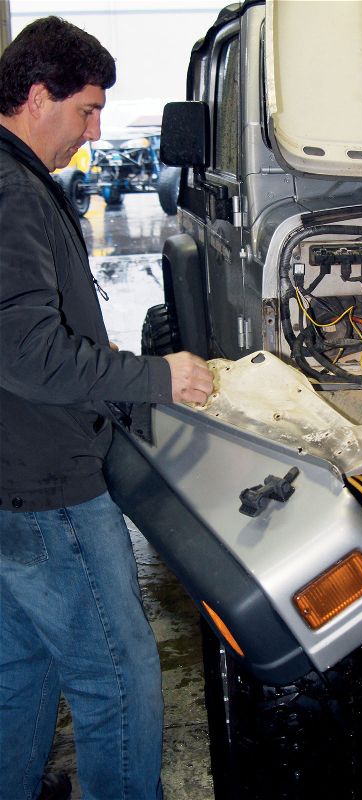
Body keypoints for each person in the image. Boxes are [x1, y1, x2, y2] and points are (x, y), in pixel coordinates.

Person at [0, 16, 213, 800]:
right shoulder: (12, 193)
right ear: (35, 95)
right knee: (117, 680)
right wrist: (158, 377)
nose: (93, 134)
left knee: (19, 665)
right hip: (48, 483)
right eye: (86, 110)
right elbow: (25, 352)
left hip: (10, 480)